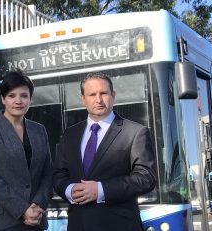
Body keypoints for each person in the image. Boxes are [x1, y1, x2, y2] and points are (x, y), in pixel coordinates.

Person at [53, 72, 157, 231]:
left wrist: (101, 190)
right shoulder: (70, 135)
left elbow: (146, 178)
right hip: (78, 226)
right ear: (83, 99)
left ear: (113, 95)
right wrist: (70, 190)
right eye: (92, 94)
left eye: (103, 93)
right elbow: (59, 174)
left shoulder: (135, 132)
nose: (98, 100)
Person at [0, 71, 52, 231]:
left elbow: (48, 173)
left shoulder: (39, 130)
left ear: (30, 98)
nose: (18, 101)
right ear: (3, 99)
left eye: (24, 95)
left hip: (33, 221)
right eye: (11, 95)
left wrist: (37, 205)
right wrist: (22, 209)